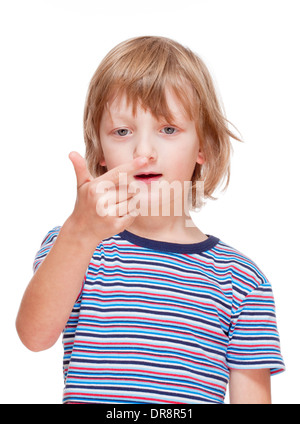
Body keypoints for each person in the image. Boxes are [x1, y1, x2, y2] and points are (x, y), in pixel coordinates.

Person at [16, 36, 285, 404]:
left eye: (168, 129)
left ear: (203, 145)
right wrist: (79, 233)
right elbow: (34, 336)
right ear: (101, 152)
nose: (144, 151)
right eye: (122, 131)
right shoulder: (77, 244)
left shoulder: (241, 281)